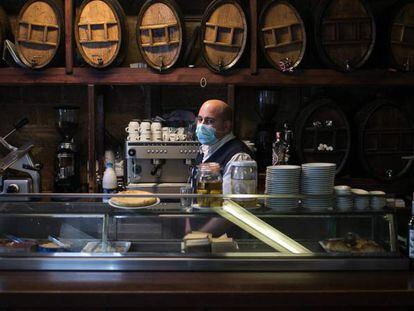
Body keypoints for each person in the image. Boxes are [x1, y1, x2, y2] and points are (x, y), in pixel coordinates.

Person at [192, 99, 254, 194]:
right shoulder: (205, 148)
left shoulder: (238, 157)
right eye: (200, 119)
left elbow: (230, 201)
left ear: (226, 126)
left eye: (210, 121)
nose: (201, 126)